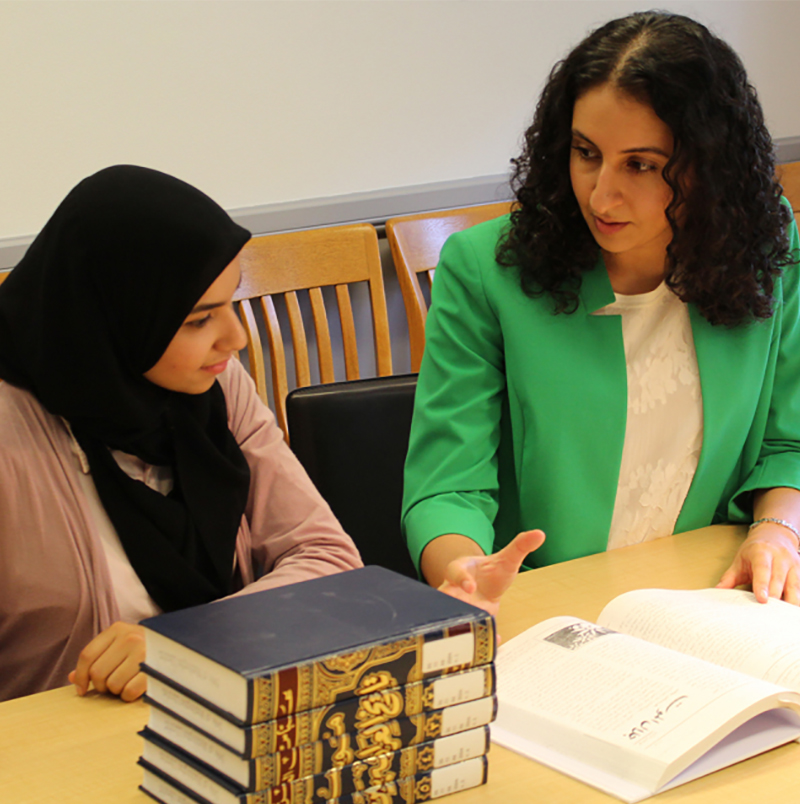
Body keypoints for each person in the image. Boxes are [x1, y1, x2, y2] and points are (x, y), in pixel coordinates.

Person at [402, 11, 800, 613]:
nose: (600, 194)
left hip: (711, 593)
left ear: (706, 165)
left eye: (640, 164)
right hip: (553, 607)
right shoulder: (486, 269)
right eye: (587, 153)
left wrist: (777, 532)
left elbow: (789, 440)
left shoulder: (768, 248)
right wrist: (465, 571)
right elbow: (449, 484)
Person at [0, 165, 361, 703]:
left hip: (212, 718)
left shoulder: (213, 389)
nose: (235, 338)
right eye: (198, 320)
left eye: (231, 302)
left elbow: (328, 559)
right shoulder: (13, 424)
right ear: (113, 317)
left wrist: (185, 644)